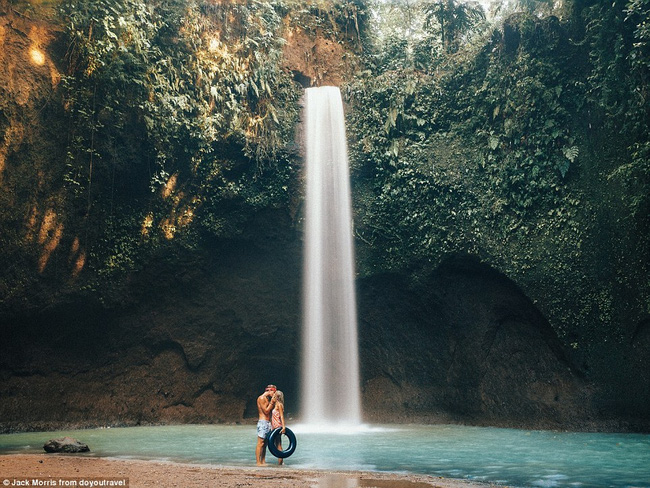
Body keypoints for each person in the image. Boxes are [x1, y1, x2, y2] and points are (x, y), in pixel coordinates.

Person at [255, 384, 277, 466]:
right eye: (273, 392)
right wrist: (272, 402)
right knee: (260, 442)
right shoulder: (261, 398)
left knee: (266, 443)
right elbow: (266, 411)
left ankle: (263, 461)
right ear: (269, 391)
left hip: (267, 422)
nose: (274, 395)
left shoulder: (266, 399)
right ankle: (258, 462)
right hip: (263, 422)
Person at [270, 390, 286, 465]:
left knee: (279, 444)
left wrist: (283, 427)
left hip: (277, 426)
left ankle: (280, 463)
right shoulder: (275, 404)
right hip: (274, 426)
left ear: (277, 397)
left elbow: (282, 416)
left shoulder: (279, 405)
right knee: (277, 444)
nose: (273, 396)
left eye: (274, 395)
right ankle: (280, 461)